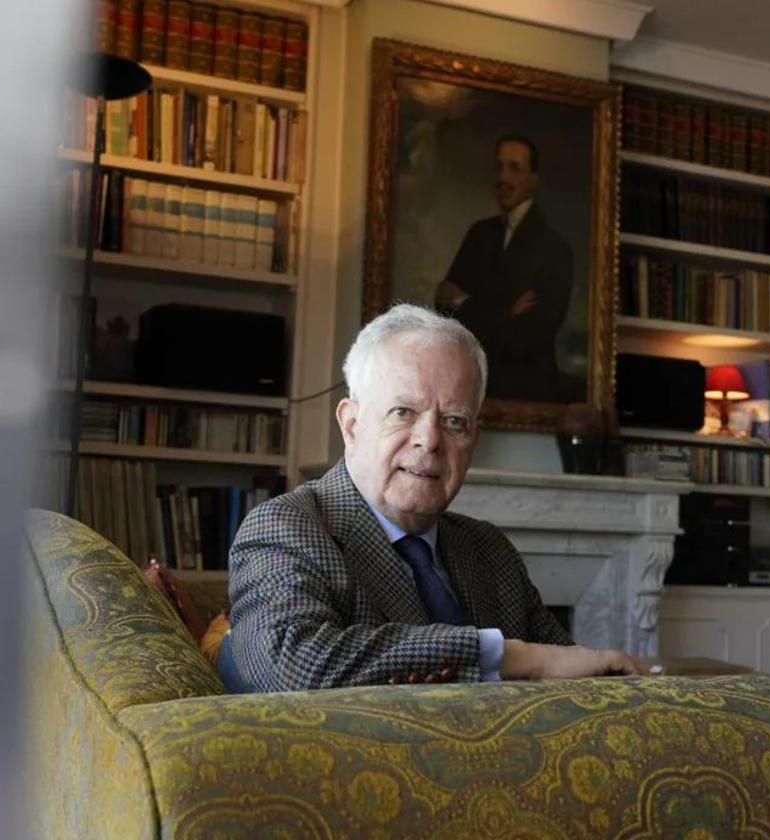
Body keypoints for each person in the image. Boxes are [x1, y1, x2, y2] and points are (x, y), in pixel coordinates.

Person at [222, 304, 638, 692]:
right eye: (403, 412)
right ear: (351, 424)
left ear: (473, 439)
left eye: (454, 421)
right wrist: (506, 655)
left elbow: (569, 669)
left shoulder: (490, 551)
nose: (429, 440)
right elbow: (290, 666)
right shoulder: (286, 527)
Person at [435, 134, 574, 403]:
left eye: (514, 169)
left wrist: (465, 303)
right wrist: (507, 313)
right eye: (499, 167)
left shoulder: (554, 248)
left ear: (534, 179)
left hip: (527, 394)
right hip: (474, 390)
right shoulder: (479, 234)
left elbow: (530, 336)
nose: (503, 178)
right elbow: (445, 311)